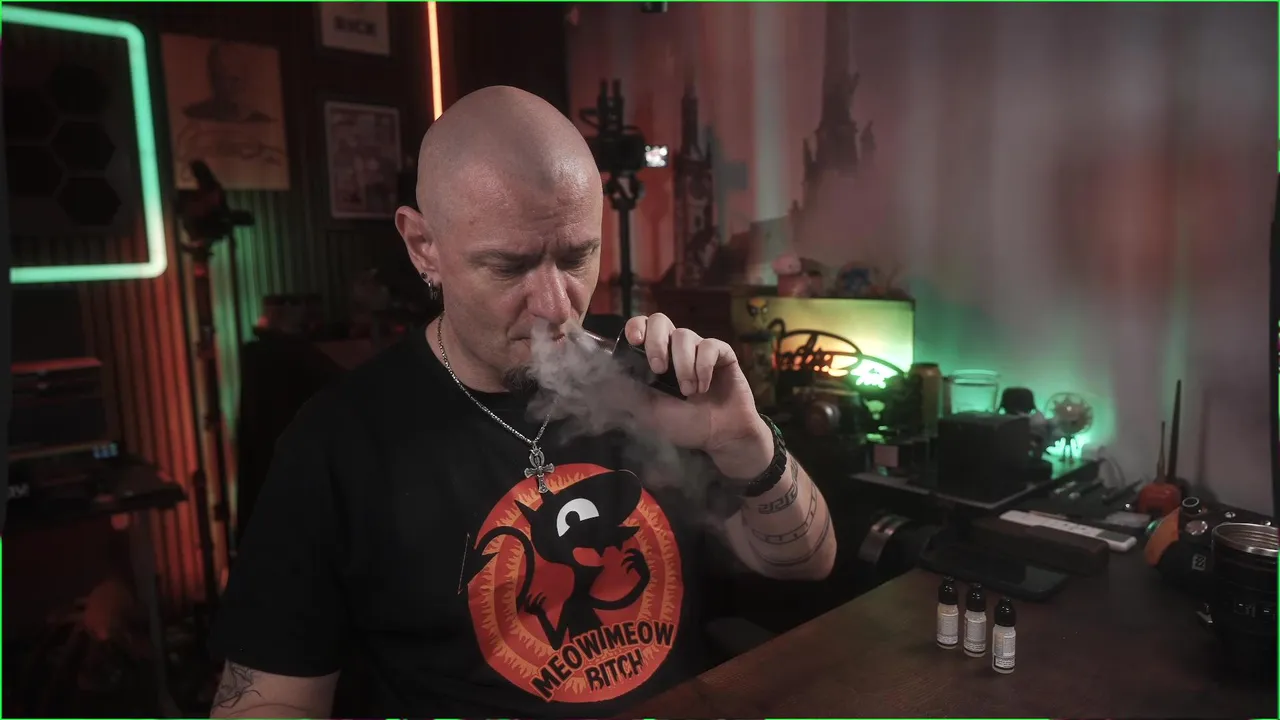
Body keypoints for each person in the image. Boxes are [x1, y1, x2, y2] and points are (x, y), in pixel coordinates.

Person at [209, 86, 836, 719]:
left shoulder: (650, 376)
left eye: (577, 257)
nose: (556, 308)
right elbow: (270, 700)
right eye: (509, 267)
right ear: (423, 246)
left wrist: (743, 442)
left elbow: (806, 564)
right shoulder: (338, 444)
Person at [183, 42, 273, 124]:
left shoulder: (261, 122)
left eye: (235, 79)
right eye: (220, 77)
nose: (228, 86)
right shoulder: (194, 115)